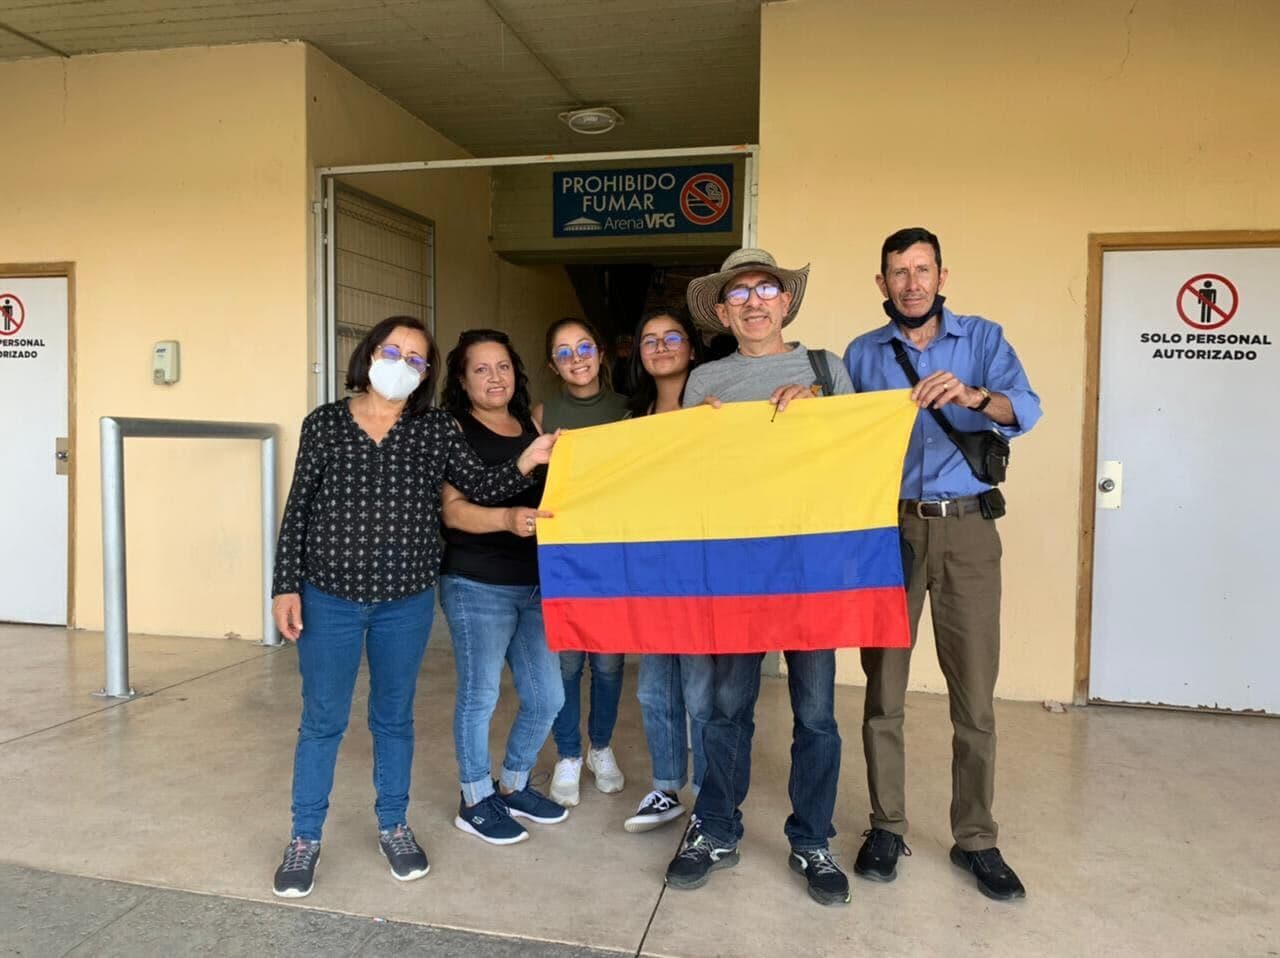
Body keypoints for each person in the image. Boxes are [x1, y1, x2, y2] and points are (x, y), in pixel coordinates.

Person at [269, 316, 557, 899]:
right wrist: (285, 586)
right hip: (329, 597)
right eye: (393, 351)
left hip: (406, 599)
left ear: (426, 374)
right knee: (323, 720)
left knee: (393, 719)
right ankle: (304, 837)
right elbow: (298, 507)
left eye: (416, 359)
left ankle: (394, 826)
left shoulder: (435, 430)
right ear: (371, 354)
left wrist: (529, 460)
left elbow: (483, 484)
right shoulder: (324, 423)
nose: (402, 364)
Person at [842, 227, 1042, 901]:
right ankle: (887, 826)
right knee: (883, 693)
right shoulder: (862, 354)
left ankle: (977, 839)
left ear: (941, 274)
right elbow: (838, 436)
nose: (910, 282)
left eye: (921, 269)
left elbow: (1027, 410)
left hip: (969, 530)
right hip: (889, 531)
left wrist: (975, 397)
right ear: (881, 284)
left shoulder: (983, 339)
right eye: (897, 272)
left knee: (975, 696)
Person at [663, 248, 857, 907]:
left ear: (785, 301)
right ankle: (715, 829)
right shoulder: (703, 383)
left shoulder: (827, 369)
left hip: (811, 574)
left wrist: (821, 406)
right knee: (725, 710)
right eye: (737, 293)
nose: (752, 301)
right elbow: (688, 480)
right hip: (734, 574)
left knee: (817, 715)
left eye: (765, 288)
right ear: (722, 312)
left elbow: (855, 457)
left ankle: (812, 840)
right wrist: (700, 437)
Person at [438, 329, 569, 845]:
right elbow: (452, 510)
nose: (495, 377)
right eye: (481, 369)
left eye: (503, 366)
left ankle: (513, 786)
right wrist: (506, 519)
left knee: (548, 697)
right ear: (463, 379)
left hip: (535, 583)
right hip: (476, 581)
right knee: (480, 694)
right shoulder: (451, 428)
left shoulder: (529, 423)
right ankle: (474, 799)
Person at [622, 307, 715, 834]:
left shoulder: (716, 411)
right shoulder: (632, 424)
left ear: (693, 348)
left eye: (671, 337)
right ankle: (664, 788)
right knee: (654, 688)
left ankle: (706, 793)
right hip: (652, 572)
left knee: (702, 688)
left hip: (705, 573)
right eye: (649, 339)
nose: (660, 346)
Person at [533, 317, 631, 806]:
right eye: (564, 351)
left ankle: (601, 748)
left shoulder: (628, 410)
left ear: (601, 352)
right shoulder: (542, 412)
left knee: (609, 665)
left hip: (614, 553)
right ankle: (568, 754)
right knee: (567, 663)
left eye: (584, 346)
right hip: (565, 555)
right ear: (553, 364)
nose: (577, 358)